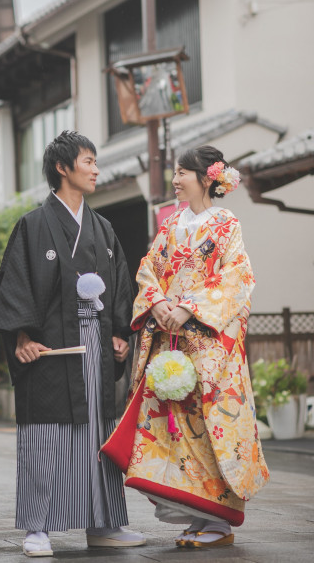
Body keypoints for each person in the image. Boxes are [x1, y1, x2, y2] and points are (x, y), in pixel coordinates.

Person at [103, 145, 269, 549]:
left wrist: (190, 308)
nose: (175, 180)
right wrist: (158, 303)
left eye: (182, 173)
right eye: (175, 172)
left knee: (210, 429)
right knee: (174, 429)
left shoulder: (226, 224)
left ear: (207, 177)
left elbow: (238, 279)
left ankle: (219, 520)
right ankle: (196, 516)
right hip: (171, 344)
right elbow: (148, 270)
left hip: (209, 347)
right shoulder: (172, 224)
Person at [0, 130, 145, 558]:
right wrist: (21, 334)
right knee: (47, 432)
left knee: (97, 431)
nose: (96, 169)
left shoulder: (102, 228)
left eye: (96, 162)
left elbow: (118, 286)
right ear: (63, 168)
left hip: (92, 344)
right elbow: (15, 283)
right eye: (89, 161)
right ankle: (37, 527)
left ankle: (103, 522)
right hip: (50, 347)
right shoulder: (34, 226)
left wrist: (117, 331)